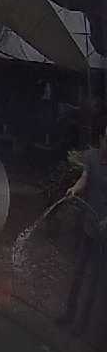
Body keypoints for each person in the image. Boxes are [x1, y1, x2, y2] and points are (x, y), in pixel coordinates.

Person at [61, 124, 107, 335]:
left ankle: (82, 323)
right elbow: (85, 178)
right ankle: (69, 314)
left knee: (94, 279)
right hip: (89, 225)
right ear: (102, 139)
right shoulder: (92, 157)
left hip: (103, 233)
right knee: (78, 272)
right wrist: (75, 189)